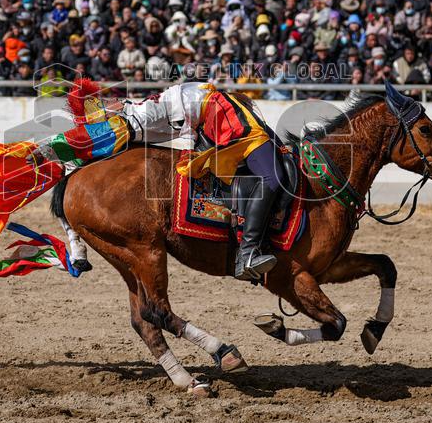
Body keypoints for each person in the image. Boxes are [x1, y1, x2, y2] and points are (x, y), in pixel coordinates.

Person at [31, 81, 285, 281]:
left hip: (210, 113)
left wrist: (50, 148)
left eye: (110, 101)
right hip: (212, 114)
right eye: (107, 103)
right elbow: (94, 137)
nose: (113, 102)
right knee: (271, 175)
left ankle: (247, 247)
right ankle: (248, 250)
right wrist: (50, 148)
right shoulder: (135, 119)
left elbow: (95, 137)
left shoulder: (138, 116)